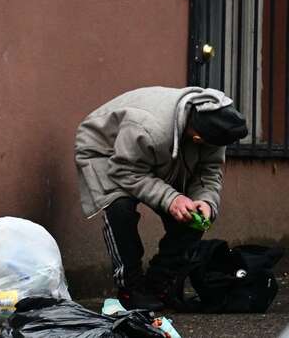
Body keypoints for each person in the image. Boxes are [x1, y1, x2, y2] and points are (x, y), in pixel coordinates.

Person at [75, 86, 248, 311]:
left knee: (192, 216)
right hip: (108, 154)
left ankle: (158, 283)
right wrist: (171, 199)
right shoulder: (149, 127)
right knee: (120, 209)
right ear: (197, 137)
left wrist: (206, 201)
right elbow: (125, 171)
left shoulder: (215, 124)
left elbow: (209, 171)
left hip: (159, 152)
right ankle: (130, 287)